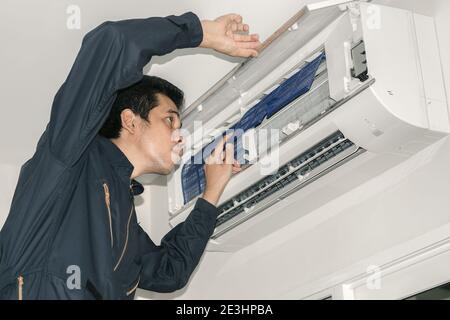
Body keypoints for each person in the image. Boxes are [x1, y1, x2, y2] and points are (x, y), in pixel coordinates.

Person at [0, 11, 261, 300]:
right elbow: (111, 42)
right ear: (131, 121)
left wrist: (211, 193)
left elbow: (168, 271)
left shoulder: (124, 221)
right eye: (170, 120)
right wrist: (200, 33)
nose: (179, 135)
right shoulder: (74, 155)